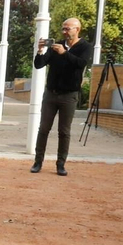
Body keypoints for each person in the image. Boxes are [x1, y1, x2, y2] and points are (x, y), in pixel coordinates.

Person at [30, 17, 92, 175]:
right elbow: (39, 64)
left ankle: (60, 164)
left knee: (64, 132)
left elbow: (80, 64)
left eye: (68, 29)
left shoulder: (85, 47)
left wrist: (64, 54)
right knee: (43, 129)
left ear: (77, 29)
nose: (64, 32)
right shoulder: (56, 45)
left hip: (69, 96)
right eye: (63, 29)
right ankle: (38, 162)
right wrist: (40, 50)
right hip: (51, 94)